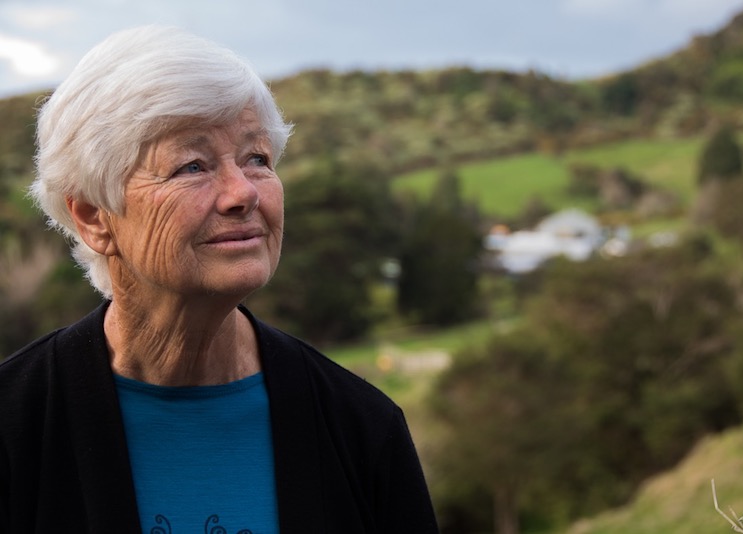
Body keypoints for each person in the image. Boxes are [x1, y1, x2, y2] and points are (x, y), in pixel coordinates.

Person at [0, 25, 439, 534]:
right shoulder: (13, 427)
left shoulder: (360, 427)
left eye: (257, 159)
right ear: (94, 216)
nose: (243, 193)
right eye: (192, 166)